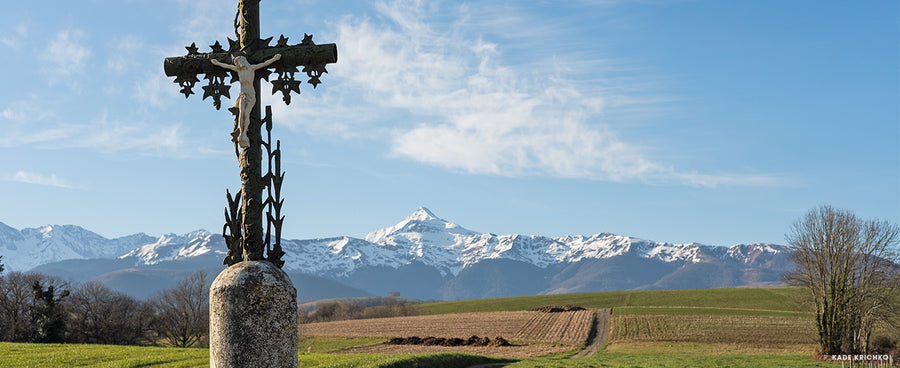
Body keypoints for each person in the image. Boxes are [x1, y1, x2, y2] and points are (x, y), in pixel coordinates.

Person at [211, 54, 282, 149]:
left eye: (240, 61)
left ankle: (244, 133)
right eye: (237, 62)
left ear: (244, 61)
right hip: (242, 94)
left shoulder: (251, 68)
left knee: (246, 114)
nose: (238, 64)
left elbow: (264, 63)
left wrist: (274, 58)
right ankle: (242, 134)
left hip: (250, 95)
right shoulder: (238, 70)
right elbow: (227, 66)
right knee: (242, 114)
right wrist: (217, 63)